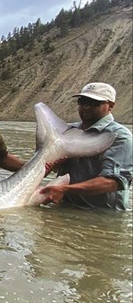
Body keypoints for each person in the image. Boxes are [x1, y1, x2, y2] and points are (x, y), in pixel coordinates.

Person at [40, 82, 133, 210]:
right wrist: (53, 166)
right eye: (82, 101)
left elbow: (112, 183)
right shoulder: (69, 131)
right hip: (66, 207)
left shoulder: (119, 136)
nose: (86, 107)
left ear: (111, 105)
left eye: (94, 103)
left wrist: (64, 189)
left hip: (103, 215)